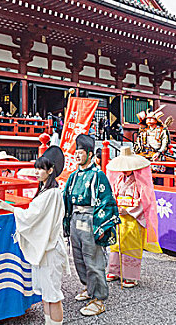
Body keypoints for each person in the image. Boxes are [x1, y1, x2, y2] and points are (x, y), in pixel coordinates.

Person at [0, 146, 69, 325]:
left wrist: (11, 208)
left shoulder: (51, 193)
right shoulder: (46, 191)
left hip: (49, 248)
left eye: (41, 169)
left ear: (50, 170)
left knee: (52, 294)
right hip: (45, 246)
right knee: (46, 292)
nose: (37, 172)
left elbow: (31, 217)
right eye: (36, 168)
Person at [63, 134, 120, 316]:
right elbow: (65, 198)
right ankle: (89, 288)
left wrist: (101, 227)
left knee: (93, 259)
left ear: (89, 154)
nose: (77, 156)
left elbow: (106, 201)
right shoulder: (73, 176)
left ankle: (99, 298)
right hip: (75, 218)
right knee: (78, 258)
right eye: (76, 153)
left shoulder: (98, 175)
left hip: (91, 218)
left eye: (80, 153)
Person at [105, 146, 161, 288]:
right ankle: (114, 270)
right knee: (116, 243)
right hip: (119, 215)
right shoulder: (118, 180)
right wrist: (114, 207)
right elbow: (113, 195)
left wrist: (129, 210)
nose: (124, 170)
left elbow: (144, 200)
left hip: (132, 217)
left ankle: (130, 276)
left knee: (131, 245)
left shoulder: (139, 181)